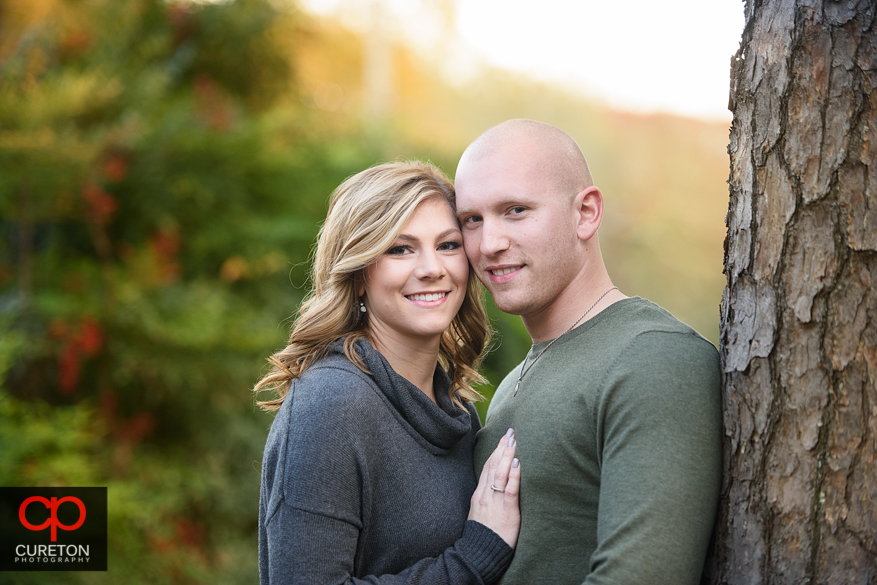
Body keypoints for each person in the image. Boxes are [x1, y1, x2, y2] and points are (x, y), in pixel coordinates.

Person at [454, 119, 723, 585]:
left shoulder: (653, 360)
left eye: (516, 210)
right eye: (472, 220)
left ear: (586, 213)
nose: (490, 243)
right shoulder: (512, 384)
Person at [255, 161, 522, 585]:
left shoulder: (454, 406)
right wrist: (474, 557)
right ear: (359, 275)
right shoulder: (331, 404)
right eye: (400, 249)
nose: (432, 268)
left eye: (448, 245)